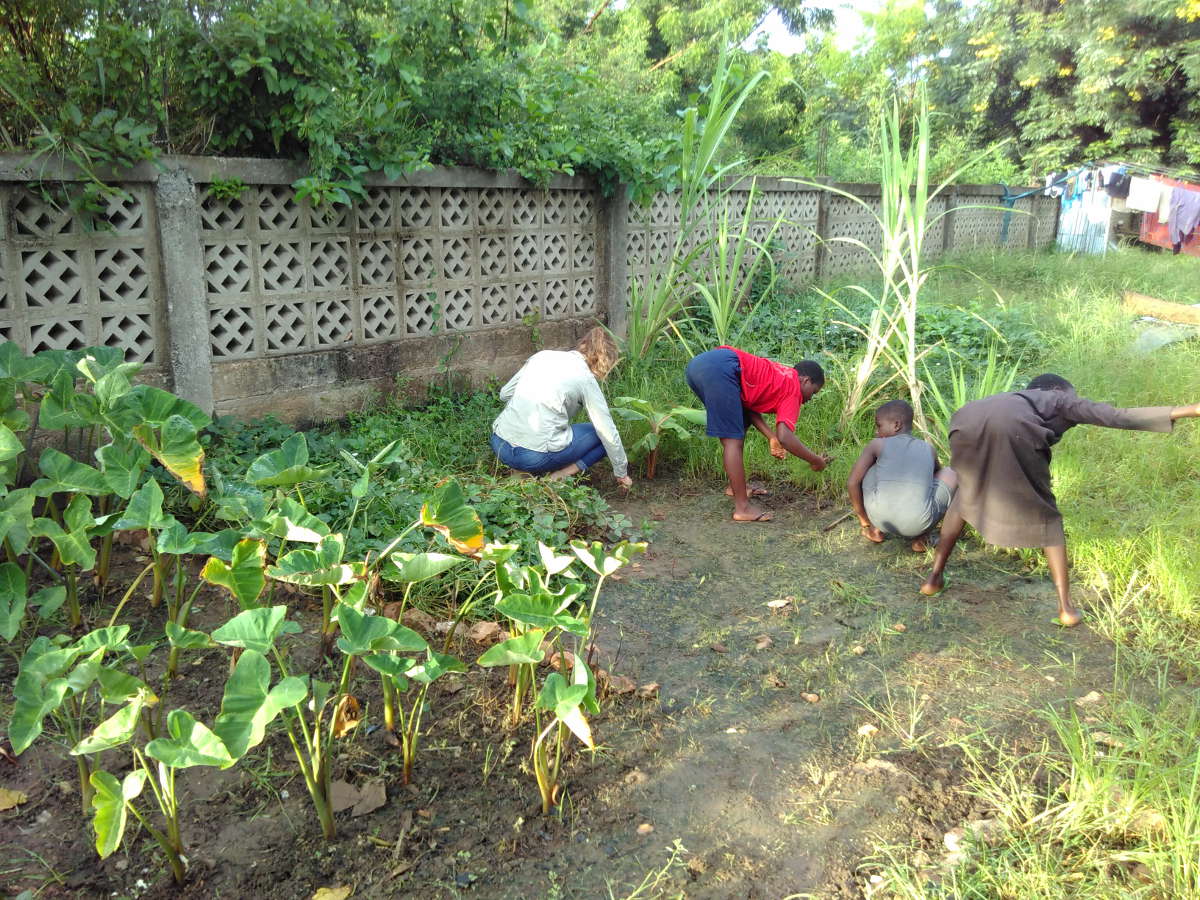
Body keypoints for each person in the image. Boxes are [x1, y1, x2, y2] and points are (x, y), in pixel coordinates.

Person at [919, 374, 1200, 626]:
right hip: (1012, 426)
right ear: (1057, 390)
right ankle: (1066, 609)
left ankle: (933, 579)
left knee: (965, 496)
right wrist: (1190, 410)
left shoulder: (1010, 398)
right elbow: (1117, 416)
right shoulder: (1060, 399)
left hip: (964, 420)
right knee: (1047, 517)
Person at [685, 346, 829, 522]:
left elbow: (746, 407)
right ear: (805, 381)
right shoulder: (793, 388)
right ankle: (743, 508)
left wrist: (771, 437)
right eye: (813, 392)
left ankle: (735, 488)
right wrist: (816, 461)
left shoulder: (781, 376)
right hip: (721, 369)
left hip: (700, 365)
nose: (810, 399)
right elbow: (785, 436)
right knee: (733, 441)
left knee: (740, 426)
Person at [490, 326, 633, 489]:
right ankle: (559, 476)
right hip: (532, 457)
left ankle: (519, 472)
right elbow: (607, 431)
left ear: (582, 344)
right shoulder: (585, 378)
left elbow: (504, 394)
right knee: (602, 438)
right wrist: (621, 473)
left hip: (499, 444)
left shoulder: (542, 356)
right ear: (604, 360)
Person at [847, 399, 957, 553]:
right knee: (951, 473)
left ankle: (875, 531)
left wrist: (865, 521)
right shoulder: (928, 449)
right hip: (918, 523)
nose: (876, 432)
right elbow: (936, 475)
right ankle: (922, 539)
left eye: (879, 426)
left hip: (878, 518)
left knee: (871, 467)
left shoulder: (877, 444)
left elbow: (852, 483)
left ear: (896, 425)